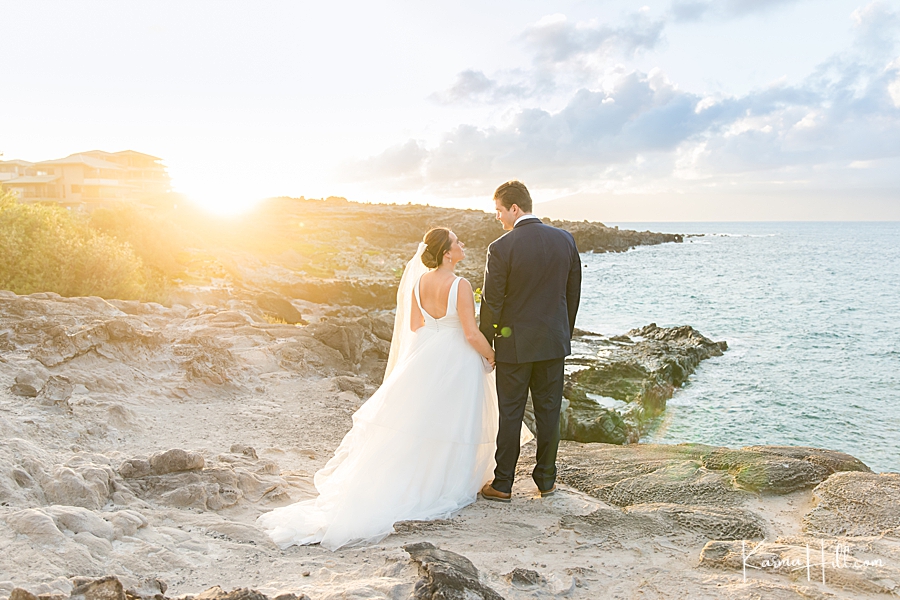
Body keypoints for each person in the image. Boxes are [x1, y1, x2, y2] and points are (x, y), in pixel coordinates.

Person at [257, 227, 529, 551]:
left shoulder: (418, 283)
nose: (462, 244)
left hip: (426, 358)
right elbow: (471, 333)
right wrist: (492, 355)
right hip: (457, 360)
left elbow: (415, 326)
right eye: (457, 242)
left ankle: (417, 479)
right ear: (446, 253)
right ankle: (445, 482)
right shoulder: (461, 285)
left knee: (421, 422)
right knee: (454, 421)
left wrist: (436, 339)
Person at [478, 180, 582, 503]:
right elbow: (572, 293)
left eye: (499, 211)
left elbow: (491, 303)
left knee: (511, 413)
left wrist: (487, 344)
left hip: (514, 347)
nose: (498, 218)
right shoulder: (565, 240)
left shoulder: (501, 248)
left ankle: (504, 483)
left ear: (514, 208)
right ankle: (547, 481)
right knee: (549, 412)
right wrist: (563, 331)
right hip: (553, 343)